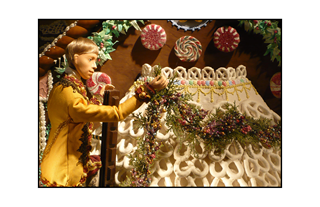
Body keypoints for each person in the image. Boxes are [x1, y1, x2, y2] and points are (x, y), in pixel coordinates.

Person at [40, 37, 168, 187]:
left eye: (95, 60)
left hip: (63, 165)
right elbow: (117, 113)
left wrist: (99, 95)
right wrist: (146, 90)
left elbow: (82, 112)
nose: (94, 66)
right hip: (63, 173)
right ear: (75, 58)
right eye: (90, 59)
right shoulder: (69, 92)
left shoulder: (65, 86)